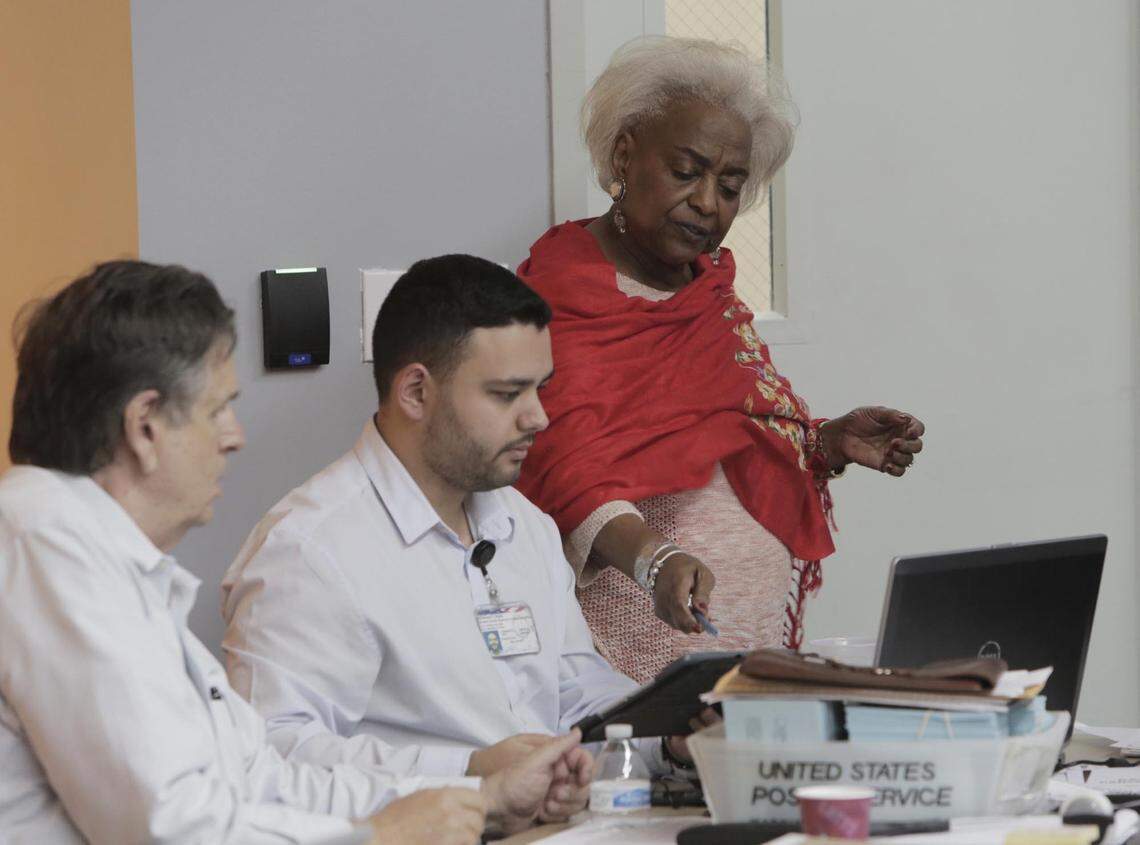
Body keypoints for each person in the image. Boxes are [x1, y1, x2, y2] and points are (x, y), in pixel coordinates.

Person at [0, 260, 582, 844]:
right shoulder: (44, 542)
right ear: (145, 425)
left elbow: (263, 778)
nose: (235, 435)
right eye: (216, 409)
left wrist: (478, 798)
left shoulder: (95, 555)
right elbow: (168, 828)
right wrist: (378, 838)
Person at [515, 36, 926, 684]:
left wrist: (826, 442)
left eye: (730, 185)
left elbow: (727, 433)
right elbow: (569, 472)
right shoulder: (560, 296)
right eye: (687, 172)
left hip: (744, 654)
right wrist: (655, 559)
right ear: (626, 153)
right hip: (626, 668)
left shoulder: (709, 295)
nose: (709, 202)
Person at [222, 254, 699, 799]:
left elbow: (571, 694)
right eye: (507, 394)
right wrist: (468, 772)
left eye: (541, 388)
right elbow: (269, 755)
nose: (538, 417)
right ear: (416, 393)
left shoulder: (526, 526)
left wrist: (671, 737)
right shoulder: (309, 550)